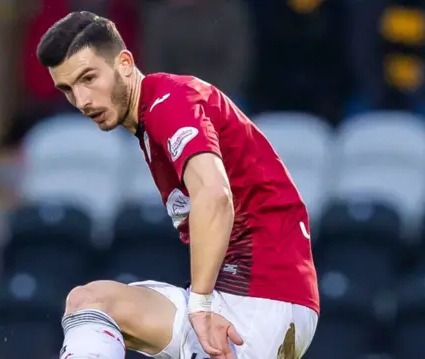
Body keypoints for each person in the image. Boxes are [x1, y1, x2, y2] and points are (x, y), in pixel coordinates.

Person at [36, 11, 319, 359]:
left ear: (124, 63)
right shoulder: (152, 120)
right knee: (88, 302)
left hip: (260, 300)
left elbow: (214, 196)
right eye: (68, 89)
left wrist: (200, 306)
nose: (82, 101)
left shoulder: (170, 102)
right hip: (241, 297)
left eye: (89, 78)